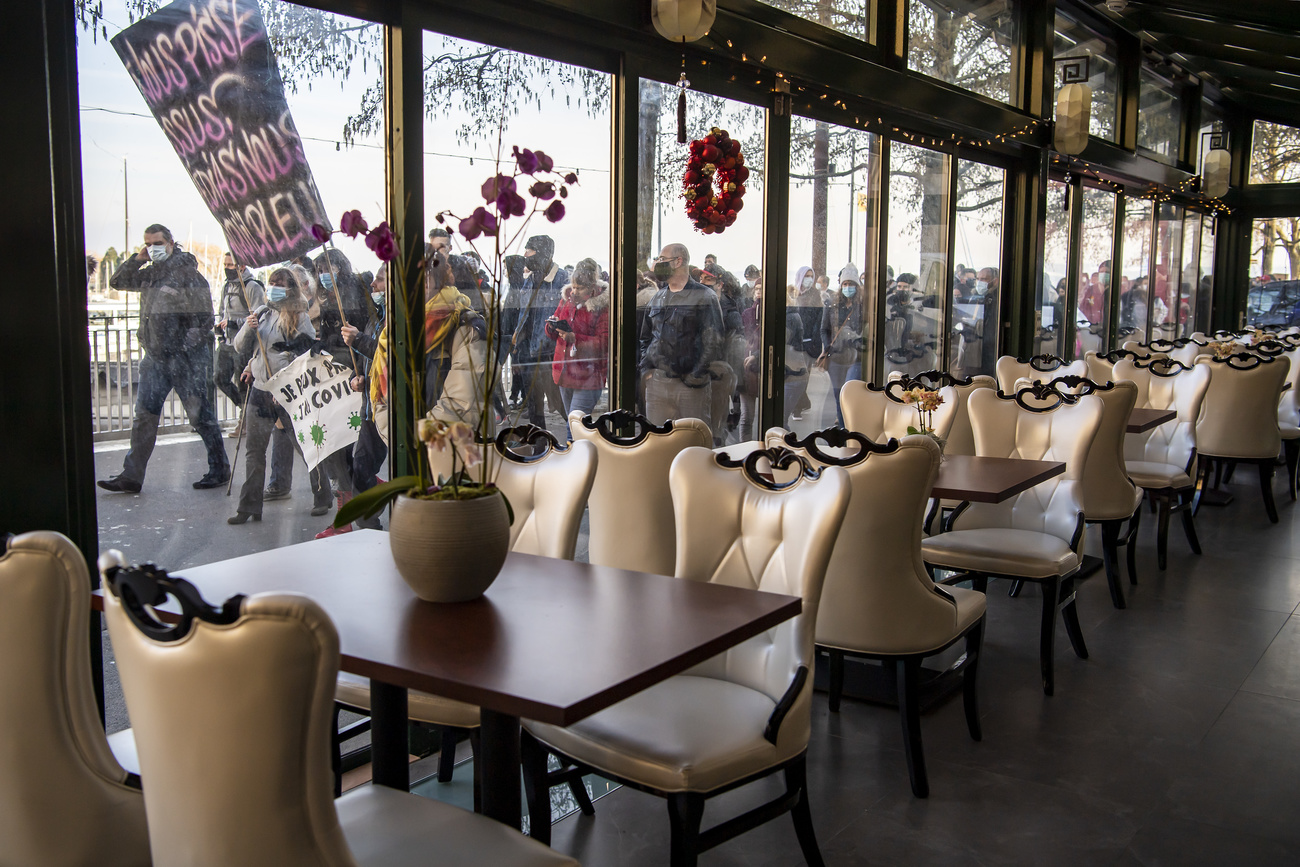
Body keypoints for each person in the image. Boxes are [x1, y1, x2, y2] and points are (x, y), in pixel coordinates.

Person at [98, 223, 230, 493]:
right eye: (147, 244)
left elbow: (204, 319)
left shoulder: (188, 276)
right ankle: (131, 476)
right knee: (144, 417)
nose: (152, 248)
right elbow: (118, 282)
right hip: (154, 360)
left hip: (184, 361)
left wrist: (181, 349)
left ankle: (220, 468)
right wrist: (137, 260)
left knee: (200, 416)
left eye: (157, 243)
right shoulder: (150, 274)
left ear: (171, 243)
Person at [227, 268, 316, 525]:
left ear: (290, 288)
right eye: (271, 283)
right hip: (260, 391)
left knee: (303, 445)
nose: (273, 287)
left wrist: (286, 385)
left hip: (286, 393)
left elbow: (306, 354)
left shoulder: (299, 315)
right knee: (254, 451)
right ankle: (249, 506)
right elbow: (244, 346)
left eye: (279, 283)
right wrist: (248, 328)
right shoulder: (262, 313)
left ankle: (322, 494)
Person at [639, 243, 723, 427]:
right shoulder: (657, 298)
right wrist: (647, 371)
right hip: (658, 384)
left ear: (678, 261)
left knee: (693, 441)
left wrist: (695, 376)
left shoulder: (703, 296)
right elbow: (645, 337)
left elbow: (714, 341)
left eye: (662, 259)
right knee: (657, 441)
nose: (657, 263)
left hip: (691, 387)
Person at [544, 258, 609, 430]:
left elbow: (604, 342)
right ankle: (578, 452)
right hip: (565, 372)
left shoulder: (602, 306)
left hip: (588, 375)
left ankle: (578, 454)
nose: (574, 291)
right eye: (573, 287)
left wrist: (576, 339)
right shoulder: (567, 299)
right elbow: (555, 328)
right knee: (573, 425)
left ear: (592, 287)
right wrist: (551, 327)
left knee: (575, 427)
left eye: (580, 288)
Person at [511, 235, 569, 431]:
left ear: (542, 253)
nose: (525, 255)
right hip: (528, 352)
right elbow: (523, 316)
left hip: (549, 352)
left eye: (529, 251)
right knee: (534, 406)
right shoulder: (530, 281)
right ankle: (539, 444)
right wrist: (517, 348)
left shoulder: (562, 279)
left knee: (560, 402)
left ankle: (579, 439)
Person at [213, 252, 265, 437]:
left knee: (242, 382)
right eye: (225, 265)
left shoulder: (252, 287)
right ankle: (247, 411)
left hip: (243, 343)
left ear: (242, 266)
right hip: (227, 342)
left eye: (230, 265)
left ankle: (245, 420)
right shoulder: (227, 285)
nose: (227, 269)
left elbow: (260, 315)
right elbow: (222, 311)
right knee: (219, 378)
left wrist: (237, 323)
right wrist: (221, 329)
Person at [820, 264, 865, 426]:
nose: (848, 287)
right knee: (838, 394)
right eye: (845, 284)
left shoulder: (863, 306)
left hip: (856, 356)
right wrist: (827, 347)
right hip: (836, 356)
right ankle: (843, 428)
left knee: (849, 393)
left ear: (857, 286)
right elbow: (823, 329)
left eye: (851, 284)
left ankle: (852, 427)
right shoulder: (832, 305)